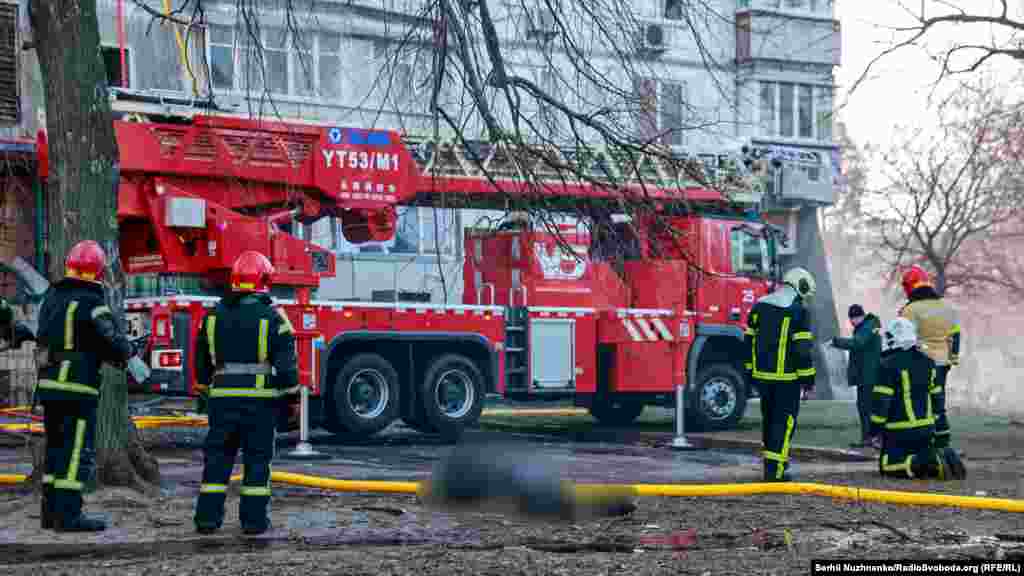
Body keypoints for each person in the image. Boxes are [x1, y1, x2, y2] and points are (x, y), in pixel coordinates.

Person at [35, 240, 150, 532]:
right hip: (77, 386)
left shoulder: (52, 298)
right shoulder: (92, 302)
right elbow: (109, 339)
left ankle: (50, 513)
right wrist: (129, 356)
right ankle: (69, 515)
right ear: (97, 270)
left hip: (50, 383)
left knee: (55, 448)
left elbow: (51, 335)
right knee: (76, 450)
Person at [193, 251, 298, 536]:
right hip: (259, 405)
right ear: (265, 281)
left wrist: (204, 393)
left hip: (222, 402)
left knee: (217, 460)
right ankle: (253, 521)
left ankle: (207, 519)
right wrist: (291, 400)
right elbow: (287, 369)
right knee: (257, 461)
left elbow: (201, 363)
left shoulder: (212, 317)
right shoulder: (274, 319)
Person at [744, 266, 817, 482]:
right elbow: (802, 350)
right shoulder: (798, 311)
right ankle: (775, 471)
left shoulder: (759, 306)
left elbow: (748, 342)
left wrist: (750, 373)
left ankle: (775, 463)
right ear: (800, 286)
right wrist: (808, 380)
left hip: (762, 379)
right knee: (783, 423)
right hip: (787, 380)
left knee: (769, 421)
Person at [869, 317, 965, 480]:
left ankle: (929, 462)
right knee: (919, 453)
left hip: (898, 432)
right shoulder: (928, 363)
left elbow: (881, 403)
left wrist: (874, 430)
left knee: (887, 465)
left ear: (892, 339)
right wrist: (943, 433)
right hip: (926, 431)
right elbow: (938, 402)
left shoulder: (886, 365)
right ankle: (942, 457)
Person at [898, 265, 961, 449]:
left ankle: (921, 441)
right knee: (938, 402)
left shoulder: (909, 310)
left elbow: (903, 338)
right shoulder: (947, 307)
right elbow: (956, 335)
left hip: (920, 364)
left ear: (909, 286)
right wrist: (953, 358)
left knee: (919, 402)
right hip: (942, 363)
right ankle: (943, 441)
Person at [830, 304, 882, 448]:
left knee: (868, 407)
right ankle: (868, 438)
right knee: (864, 407)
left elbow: (857, 343)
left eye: (854, 318)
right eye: (851, 319)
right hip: (865, 375)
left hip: (869, 375)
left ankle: (874, 438)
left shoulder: (867, 327)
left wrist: (836, 342)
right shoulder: (865, 327)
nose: (852, 321)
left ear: (861, 316)